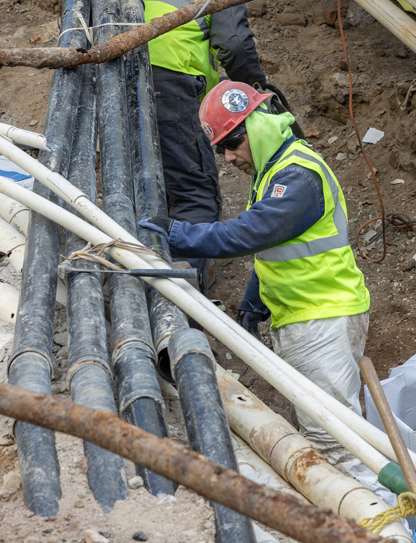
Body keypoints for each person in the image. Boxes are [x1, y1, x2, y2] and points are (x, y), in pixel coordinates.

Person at [139, 81, 370, 462]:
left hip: (322, 319)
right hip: (312, 311)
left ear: (258, 125)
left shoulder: (298, 176)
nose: (227, 158)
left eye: (232, 143)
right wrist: (254, 300)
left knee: (336, 445)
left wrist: (174, 232)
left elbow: (249, 234)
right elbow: (280, 247)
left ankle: (380, 519)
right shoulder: (273, 171)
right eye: (220, 149)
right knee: (322, 431)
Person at [141, 0, 283, 291]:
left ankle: (140, 267)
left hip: (116, 82)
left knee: (137, 175)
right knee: (193, 188)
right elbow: (234, 45)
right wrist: (253, 93)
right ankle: (185, 298)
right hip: (171, 90)